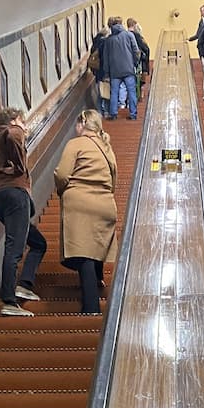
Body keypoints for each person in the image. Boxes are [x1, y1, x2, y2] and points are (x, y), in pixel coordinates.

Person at [54, 109, 118, 315]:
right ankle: (99, 279)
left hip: (80, 204)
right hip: (105, 203)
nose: (75, 128)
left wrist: (63, 190)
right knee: (96, 243)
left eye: (76, 124)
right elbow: (114, 178)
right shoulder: (107, 147)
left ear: (82, 124)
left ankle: (91, 308)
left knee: (84, 254)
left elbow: (62, 173)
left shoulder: (75, 144)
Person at [0, 107, 47, 316]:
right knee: (14, 248)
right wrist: (20, 168)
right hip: (15, 196)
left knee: (38, 243)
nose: (25, 126)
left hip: (0, 199)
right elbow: (14, 135)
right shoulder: (12, 132)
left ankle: (24, 284)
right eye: (23, 121)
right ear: (13, 121)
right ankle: (9, 301)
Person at [102, 16, 140, 121]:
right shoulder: (129, 35)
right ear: (122, 24)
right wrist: (135, 63)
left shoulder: (109, 40)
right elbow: (136, 51)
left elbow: (106, 58)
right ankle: (133, 114)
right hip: (128, 69)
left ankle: (113, 113)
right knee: (131, 91)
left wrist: (106, 73)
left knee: (114, 92)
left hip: (114, 71)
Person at [127, 18, 150, 101]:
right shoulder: (137, 36)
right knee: (139, 80)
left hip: (127, 62)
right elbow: (145, 49)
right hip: (138, 62)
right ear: (134, 25)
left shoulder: (124, 35)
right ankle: (140, 94)